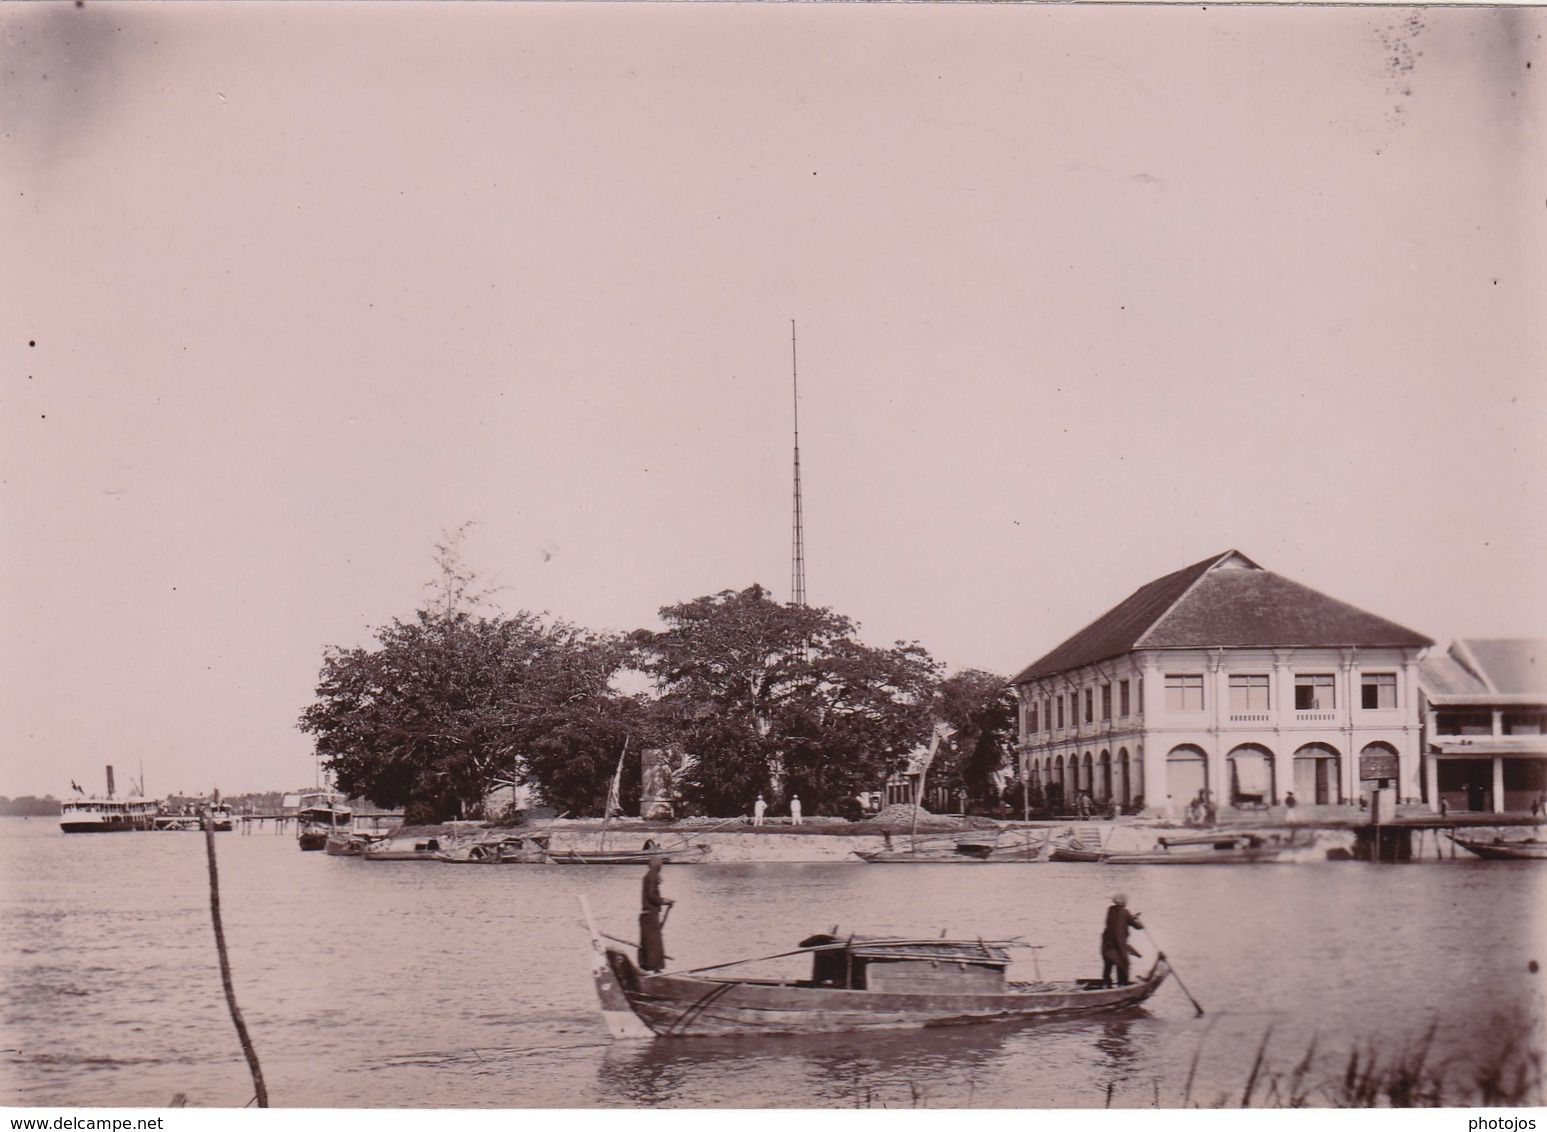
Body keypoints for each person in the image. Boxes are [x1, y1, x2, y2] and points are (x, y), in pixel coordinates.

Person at [1100, 893, 1143, 987]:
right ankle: (1122, 984)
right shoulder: (1125, 912)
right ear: (1124, 903)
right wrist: (1139, 923)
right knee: (1123, 962)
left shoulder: (1110, 910)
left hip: (1107, 944)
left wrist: (1132, 918)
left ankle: (1107, 983)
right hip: (1118, 945)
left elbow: (1118, 920)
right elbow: (1137, 926)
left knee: (1108, 964)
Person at [639, 856, 673, 972]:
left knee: (648, 943)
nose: (661, 868)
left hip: (647, 916)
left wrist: (663, 901)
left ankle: (646, 968)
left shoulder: (649, 876)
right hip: (650, 916)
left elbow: (650, 895)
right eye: (660, 865)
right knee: (653, 943)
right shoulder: (652, 876)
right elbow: (651, 896)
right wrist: (664, 901)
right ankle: (655, 970)